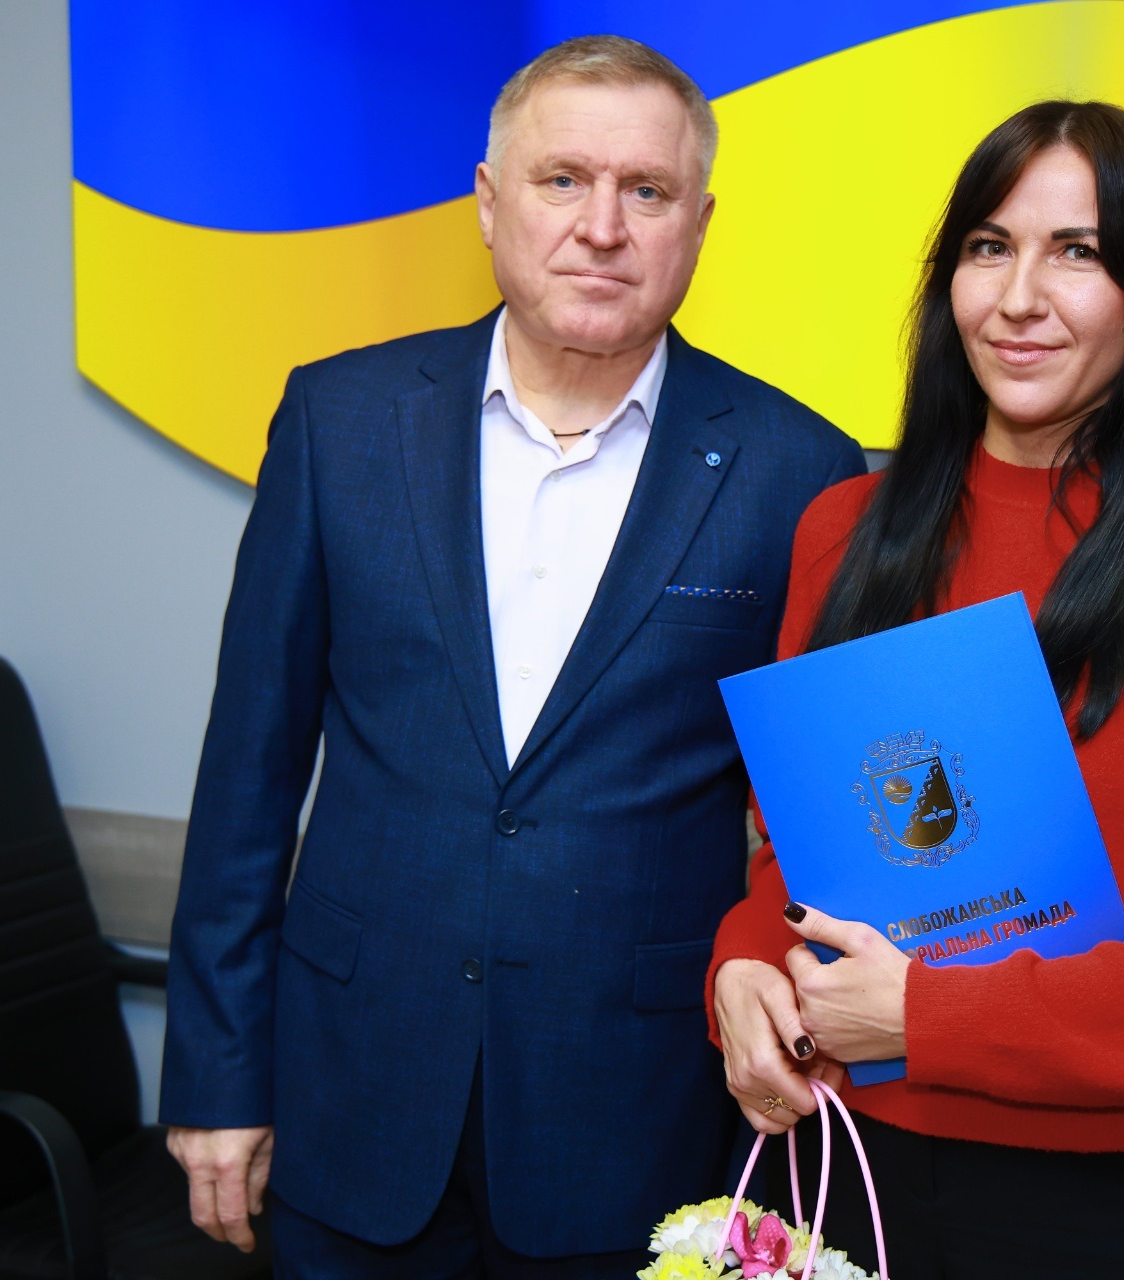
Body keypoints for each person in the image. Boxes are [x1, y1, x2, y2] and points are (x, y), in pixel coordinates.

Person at [158, 35, 866, 1280]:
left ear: (699, 225)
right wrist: (217, 1074)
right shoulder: (339, 421)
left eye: (647, 191)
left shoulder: (797, 467)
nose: (603, 226)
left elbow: (821, 825)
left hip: (635, 1117)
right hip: (353, 1093)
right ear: (489, 201)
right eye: (562, 180)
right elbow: (246, 782)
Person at [707, 100, 1124, 1279]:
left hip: (1093, 1204)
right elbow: (796, 858)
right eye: (989, 246)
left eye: (1078, 252)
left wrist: (929, 1016)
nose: (1017, 297)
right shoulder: (844, 528)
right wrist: (743, 965)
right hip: (837, 1163)